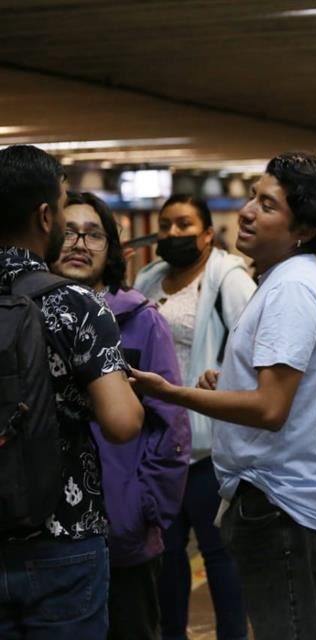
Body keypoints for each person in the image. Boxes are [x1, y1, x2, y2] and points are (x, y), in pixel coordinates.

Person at [131, 152, 316, 640]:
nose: (247, 211)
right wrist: (226, 385)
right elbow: (271, 391)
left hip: (281, 508)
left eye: (267, 205)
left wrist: (174, 393)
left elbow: (270, 408)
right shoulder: (287, 281)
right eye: (253, 196)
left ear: (304, 230)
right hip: (290, 503)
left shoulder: (290, 290)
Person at [0, 144, 143, 636]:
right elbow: (123, 423)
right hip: (63, 534)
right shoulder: (75, 304)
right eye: (62, 205)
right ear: (45, 216)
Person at [52, 192, 191, 640]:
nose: (79, 243)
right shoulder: (28, 315)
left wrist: (143, 507)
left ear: (111, 249)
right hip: (50, 532)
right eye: (69, 231)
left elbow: (171, 423)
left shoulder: (140, 321)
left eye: (94, 234)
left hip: (122, 531)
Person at [134, 195, 254, 640]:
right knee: (163, 555)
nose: (172, 234)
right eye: (165, 225)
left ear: (207, 233)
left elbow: (256, 345)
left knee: (220, 555)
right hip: (157, 443)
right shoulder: (147, 280)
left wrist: (226, 374)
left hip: (209, 446)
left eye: (184, 224)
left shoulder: (228, 280)